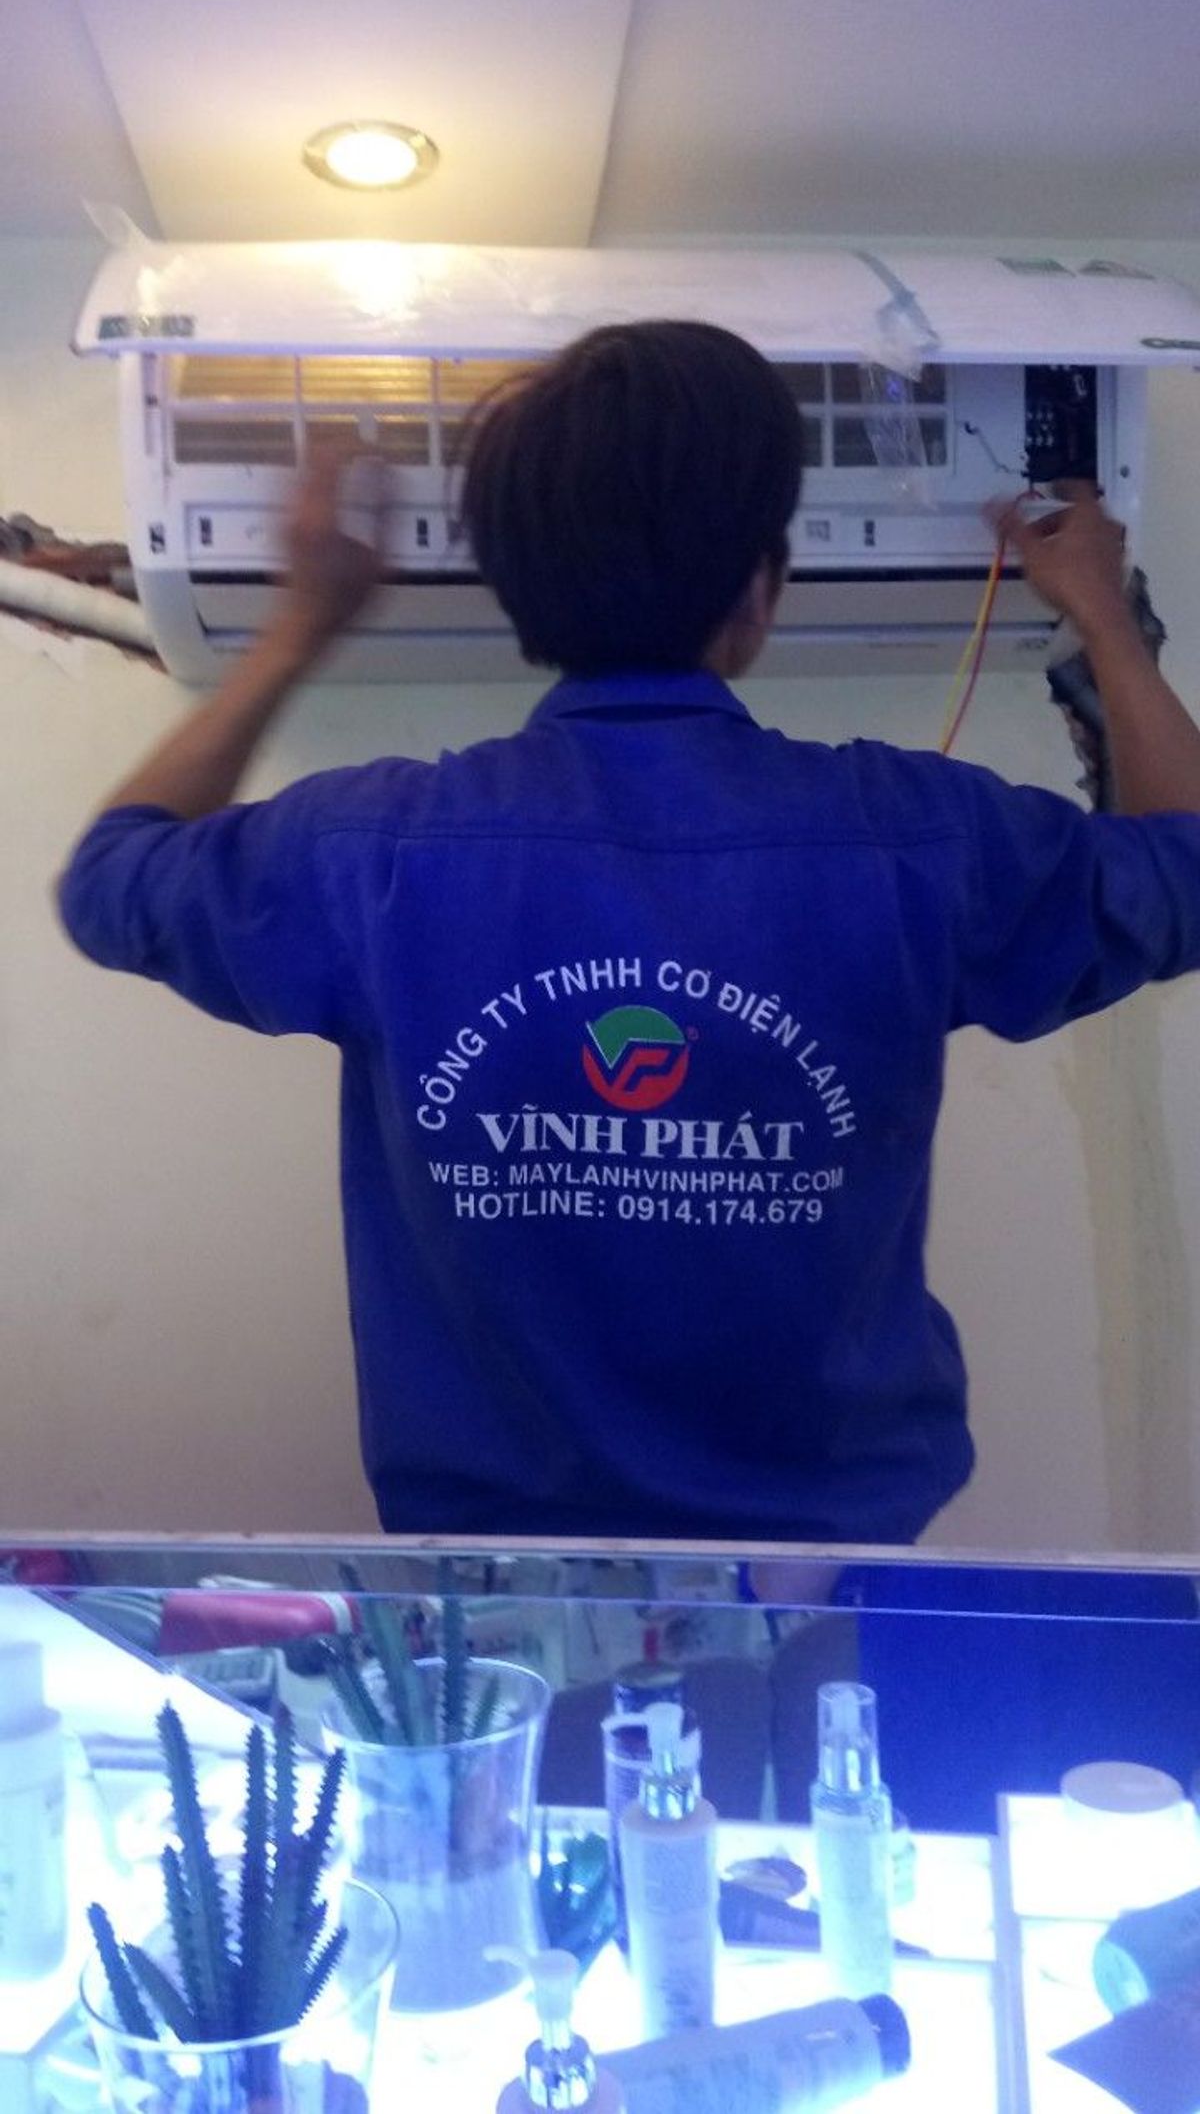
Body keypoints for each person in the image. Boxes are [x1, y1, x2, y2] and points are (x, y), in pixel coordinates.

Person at [57, 320, 1200, 1544]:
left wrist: (301, 626)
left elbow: (114, 875)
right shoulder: (913, 836)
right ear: (759, 592)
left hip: (488, 1575)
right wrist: (1104, 619)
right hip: (839, 1561)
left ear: (519, 598)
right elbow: (1183, 872)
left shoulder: (373, 849)